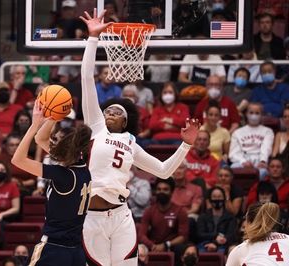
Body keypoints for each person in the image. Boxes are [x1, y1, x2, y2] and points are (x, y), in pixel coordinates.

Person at [79, 9, 199, 265]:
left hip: (122, 215)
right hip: (92, 215)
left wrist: (186, 145)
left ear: (125, 120)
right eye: (107, 109)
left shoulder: (132, 142)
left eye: (115, 111)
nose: (108, 112)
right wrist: (93, 39)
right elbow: (86, 78)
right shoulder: (96, 127)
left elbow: (165, 171)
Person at [11, 101, 92, 266]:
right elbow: (41, 139)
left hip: (53, 250)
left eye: (55, 140)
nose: (51, 141)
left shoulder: (63, 176)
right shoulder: (82, 167)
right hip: (75, 252)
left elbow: (17, 159)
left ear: (63, 149)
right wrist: (54, 116)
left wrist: (34, 125)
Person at [139, 178, 188, 253]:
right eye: (159, 189)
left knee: (182, 248)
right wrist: (152, 246)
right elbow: (141, 235)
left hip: (172, 246)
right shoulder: (149, 211)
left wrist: (165, 245)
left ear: (171, 192)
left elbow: (183, 237)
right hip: (152, 246)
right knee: (140, 249)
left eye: (165, 189)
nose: (161, 192)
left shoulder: (180, 211)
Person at [229, 103, 274, 180]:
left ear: (261, 115)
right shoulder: (237, 132)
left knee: (263, 173)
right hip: (242, 160)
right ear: (246, 114)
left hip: (260, 160)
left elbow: (266, 148)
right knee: (232, 169)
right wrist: (243, 161)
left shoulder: (268, 131)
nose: (254, 115)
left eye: (257, 113)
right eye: (251, 112)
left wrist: (263, 161)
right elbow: (233, 152)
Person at [197, 186, 237, 253]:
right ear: (210, 199)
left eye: (219, 197)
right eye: (214, 197)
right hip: (205, 244)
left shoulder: (230, 217)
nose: (217, 199)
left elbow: (231, 235)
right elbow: (200, 234)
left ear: (224, 198)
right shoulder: (203, 216)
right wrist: (215, 236)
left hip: (224, 245)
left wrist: (215, 243)